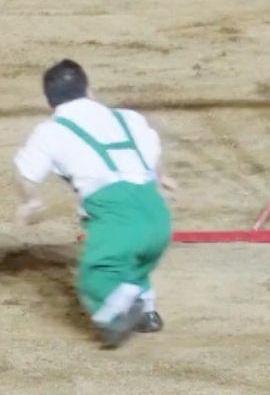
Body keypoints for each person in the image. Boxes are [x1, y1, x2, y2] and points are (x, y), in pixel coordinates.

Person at [13, 59, 173, 348]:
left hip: (115, 216)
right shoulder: (129, 118)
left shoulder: (50, 130)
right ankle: (147, 311)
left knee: (95, 275)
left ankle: (116, 317)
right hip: (157, 214)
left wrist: (31, 202)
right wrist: (163, 178)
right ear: (90, 90)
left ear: (51, 102)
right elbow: (153, 152)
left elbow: (26, 174)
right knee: (135, 263)